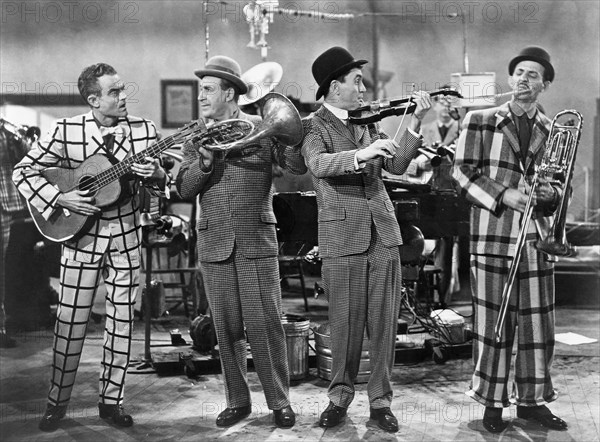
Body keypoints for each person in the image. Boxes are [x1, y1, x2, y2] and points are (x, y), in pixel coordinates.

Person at [12, 63, 169, 432]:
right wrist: (61, 197)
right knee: (70, 321)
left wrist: (158, 176)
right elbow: (24, 171)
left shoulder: (144, 130)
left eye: (123, 89)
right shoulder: (65, 130)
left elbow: (162, 181)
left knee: (121, 323)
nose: (124, 96)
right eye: (114, 92)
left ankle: (111, 402)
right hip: (80, 238)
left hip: (127, 238)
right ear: (93, 98)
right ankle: (57, 403)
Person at [301, 46, 431, 433]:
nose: (363, 87)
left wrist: (415, 124)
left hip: (382, 236)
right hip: (342, 238)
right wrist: (361, 154)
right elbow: (319, 165)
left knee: (384, 325)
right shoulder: (313, 126)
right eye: (356, 80)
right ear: (334, 86)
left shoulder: (367, 121)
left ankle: (380, 402)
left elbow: (395, 165)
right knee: (344, 325)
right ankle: (339, 398)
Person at [176, 55, 306, 429]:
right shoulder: (194, 136)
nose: (200, 97)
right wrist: (202, 163)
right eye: (200, 90)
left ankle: (279, 401)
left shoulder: (261, 128)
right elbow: (184, 188)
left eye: (207, 90)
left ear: (229, 93)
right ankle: (238, 401)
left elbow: (296, 167)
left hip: (255, 239)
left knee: (265, 324)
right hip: (215, 241)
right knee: (226, 328)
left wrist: (290, 137)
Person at [452, 46, 567, 433]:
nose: (523, 79)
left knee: (538, 326)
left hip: (536, 239)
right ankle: (491, 404)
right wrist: (505, 195)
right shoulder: (480, 120)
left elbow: (556, 188)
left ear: (544, 85)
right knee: (492, 326)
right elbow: (462, 172)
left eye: (533, 74)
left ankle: (532, 402)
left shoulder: (553, 130)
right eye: (518, 71)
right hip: (494, 236)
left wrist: (549, 195)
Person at [0, 122, 35, 348]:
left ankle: (0, 328)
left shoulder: (5, 132)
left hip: (2, 206)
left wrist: (18, 136)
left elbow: (28, 156)